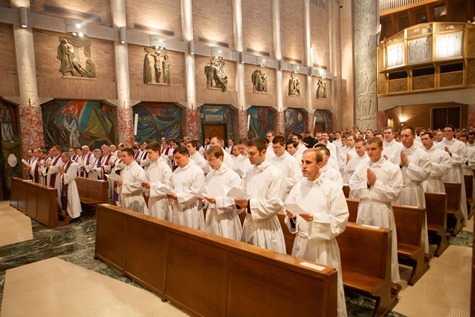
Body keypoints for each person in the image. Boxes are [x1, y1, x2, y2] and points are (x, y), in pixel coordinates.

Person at [285, 148, 348, 317]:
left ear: (320, 164)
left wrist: (315, 217)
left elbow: (341, 220)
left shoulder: (332, 188)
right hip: (301, 243)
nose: (303, 166)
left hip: (323, 246)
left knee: (324, 288)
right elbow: (291, 214)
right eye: (302, 162)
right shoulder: (298, 187)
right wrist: (291, 217)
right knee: (302, 286)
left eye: (308, 163)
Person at [349, 137, 403, 291]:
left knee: (383, 246)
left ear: (381, 149)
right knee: (364, 244)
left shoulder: (392, 168)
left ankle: (389, 279)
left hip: (382, 210)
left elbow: (395, 194)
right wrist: (366, 184)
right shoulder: (361, 167)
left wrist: (376, 183)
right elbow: (353, 188)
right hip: (364, 208)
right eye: (368, 149)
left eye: (374, 149)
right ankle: (364, 276)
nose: (370, 152)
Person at [236, 137, 286, 254]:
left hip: (266, 226)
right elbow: (242, 190)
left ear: (263, 152)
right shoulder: (249, 172)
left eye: (252, 153)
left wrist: (249, 204)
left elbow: (275, 204)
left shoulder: (275, 173)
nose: (249, 156)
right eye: (248, 153)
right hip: (249, 223)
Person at [396, 127, 431, 255]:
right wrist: (399, 165)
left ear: (414, 136)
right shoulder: (397, 151)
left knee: (414, 223)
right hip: (399, 191)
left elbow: (424, 175)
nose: (404, 139)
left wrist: (408, 164)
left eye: (407, 136)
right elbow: (392, 171)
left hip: (414, 190)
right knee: (400, 222)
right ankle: (400, 247)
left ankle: (419, 250)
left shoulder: (422, 154)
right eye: (402, 136)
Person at [202, 145, 243, 240]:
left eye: (212, 160)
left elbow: (237, 201)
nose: (210, 163)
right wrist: (204, 201)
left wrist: (217, 200)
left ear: (220, 157)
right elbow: (205, 193)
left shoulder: (232, 176)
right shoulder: (209, 176)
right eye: (208, 160)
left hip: (226, 219)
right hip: (211, 217)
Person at [168, 146, 205, 229]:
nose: (176, 161)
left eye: (178, 158)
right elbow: (171, 185)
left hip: (191, 209)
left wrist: (178, 197)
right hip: (177, 208)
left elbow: (196, 191)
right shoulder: (176, 171)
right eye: (175, 159)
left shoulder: (196, 170)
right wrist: (169, 192)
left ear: (186, 156)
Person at [141, 142, 173, 220]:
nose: (148, 155)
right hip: (152, 200)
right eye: (147, 153)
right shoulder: (150, 167)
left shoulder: (165, 167)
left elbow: (168, 187)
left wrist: (151, 186)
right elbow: (147, 181)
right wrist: (144, 185)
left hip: (162, 200)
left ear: (157, 152)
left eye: (150, 152)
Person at [115, 148, 148, 214]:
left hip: (135, 199)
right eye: (121, 156)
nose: (122, 158)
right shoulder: (125, 169)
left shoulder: (138, 169)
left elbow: (140, 186)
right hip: (125, 199)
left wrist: (123, 183)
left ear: (131, 157)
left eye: (124, 156)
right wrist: (119, 185)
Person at [56, 152, 82, 219]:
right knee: (67, 199)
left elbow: (70, 177)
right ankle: (67, 212)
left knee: (70, 199)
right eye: (61, 157)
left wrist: (62, 172)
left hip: (70, 185)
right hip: (65, 184)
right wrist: (60, 173)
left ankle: (73, 214)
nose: (61, 158)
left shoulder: (72, 165)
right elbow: (62, 174)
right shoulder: (65, 164)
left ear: (68, 157)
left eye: (63, 157)